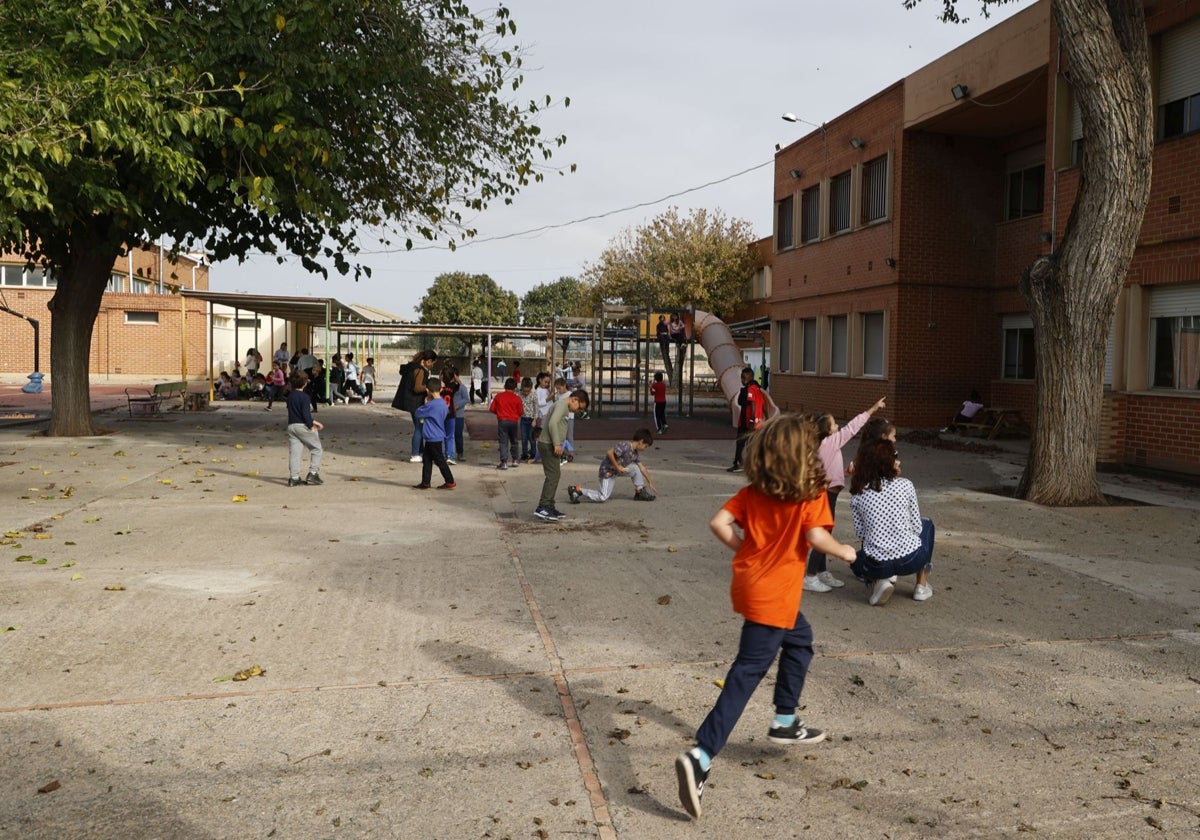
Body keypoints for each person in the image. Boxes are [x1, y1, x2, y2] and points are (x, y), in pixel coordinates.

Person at [674, 413, 858, 820]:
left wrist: (742, 548)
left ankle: (785, 719)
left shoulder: (753, 494)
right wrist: (843, 550)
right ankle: (701, 755)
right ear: (803, 456)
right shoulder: (809, 498)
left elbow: (717, 522)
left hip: (754, 588)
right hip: (774, 598)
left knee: (800, 640)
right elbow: (815, 537)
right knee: (746, 674)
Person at [804, 397, 888, 594]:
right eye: (834, 424)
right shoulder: (831, 441)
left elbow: (826, 470)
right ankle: (810, 577)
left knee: (826, 532)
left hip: (825, 493)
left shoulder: (822, 444)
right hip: (826, 495)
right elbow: (852, 427)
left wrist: (844, 473)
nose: (838, 426)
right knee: (823, 535)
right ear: (828, 429)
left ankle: (821, 571)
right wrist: (872, 409)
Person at [848, 438, 935, 605]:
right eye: (895, 457)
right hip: (911, 558)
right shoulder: (906, 485)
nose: (899, 461)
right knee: (927, 524)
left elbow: (862, 534)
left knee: (860, 555)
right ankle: (921, 586)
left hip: (878, 563)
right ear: (888, 463)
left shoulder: (858, 493)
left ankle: (878, 581)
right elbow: (917, 527)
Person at [535, 388, 589, 521]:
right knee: (553, 475)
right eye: (579, 408)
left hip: (550, 444)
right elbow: (552, 423)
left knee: (554, 475)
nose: (578, 411)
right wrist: (556, 444)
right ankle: (543, 506)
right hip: (548, 444)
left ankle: (549, 505)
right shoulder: (561, 405)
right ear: (574, 399)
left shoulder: (563, 407)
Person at [567, 428, 658, 504]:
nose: (645, 449)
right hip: (607, 472)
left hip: (617, 470)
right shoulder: (625, 446)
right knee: (603, 497)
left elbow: (642, 467)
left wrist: (649, 481)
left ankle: (640, 492)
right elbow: (609, 452)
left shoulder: (635, 453)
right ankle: (578, 490)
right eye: (645, 446)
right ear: (641, 442)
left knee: (635, 469)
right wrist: (617, 466)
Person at [392, 350, 438, 463]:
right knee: (419, 428)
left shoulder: (412, 367)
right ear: (427, 361)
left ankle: (420, 451)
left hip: (412, 403)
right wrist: (430, 388)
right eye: (433, 363)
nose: (433, 365)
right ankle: (415, 454)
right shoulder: (420, 370)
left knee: (419, 428)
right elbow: (417, 388)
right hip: (416, 404)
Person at [412, 377, 456, 490]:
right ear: (440, 389)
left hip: (432, 436)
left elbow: (418, 413)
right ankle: (425, 482)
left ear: (427, 390)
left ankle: (450, 481)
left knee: (440, 461)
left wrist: (426, 403)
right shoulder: (443, 403)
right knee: (427, 459)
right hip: (437, 435)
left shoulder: (431, 405)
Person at [285, 371, 324, 487]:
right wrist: (312, 426)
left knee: (295, 452)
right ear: (305, 383)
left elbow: (296, 412)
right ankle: (313, 473)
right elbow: (306, 415)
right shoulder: (305, 397)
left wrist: (314, 421)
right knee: (317, 448)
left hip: (291, 426)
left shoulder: (290, 396)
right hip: (302, 426)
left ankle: (294, 478)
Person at [727, 366, 764, 472]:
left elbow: (752, 404)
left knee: (740, 442)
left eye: (743, 378)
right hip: (757, 422)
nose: (742, 381)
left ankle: (739, 464)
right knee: (751, 444)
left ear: (747, 378)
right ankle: (753, 464)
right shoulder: (758, 388)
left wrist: (751, 420)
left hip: (747, 421)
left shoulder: (751, 389)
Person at [489, 377, 523, 470]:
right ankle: (515, 459)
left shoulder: (499, 397)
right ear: (515, 388)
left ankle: (504, 462)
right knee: (514, 440)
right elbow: (520, 412)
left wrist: (500, 413)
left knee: (503, 441)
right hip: (513, 421)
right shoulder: (517, 398)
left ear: (504, 386)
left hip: (502, 420)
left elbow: (492, 409)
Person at [446, 365, 468, 463]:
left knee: (458, 434)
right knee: (448, 435)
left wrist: (456, 405)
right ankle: (448, 453)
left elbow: (466, 399)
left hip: (459, 415)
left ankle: (460, 452)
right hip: (449, 415)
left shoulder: (461, 387)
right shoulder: (447, 387)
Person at [437, 368, 459, 464]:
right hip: (450, 413)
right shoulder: (453, 386)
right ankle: (450, 456)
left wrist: (440, 379)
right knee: (450, 436)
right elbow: (459, 383)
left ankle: (439, 456)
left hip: (440, 414)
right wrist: (455, 376)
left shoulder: (438, 387)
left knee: (439, 436)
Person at [519, 376, 538, 463]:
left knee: (531, 437)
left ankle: (533, 453)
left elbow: (536, 408)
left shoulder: (534, 395)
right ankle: (524, 454)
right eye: (524, 391)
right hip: (523, 419)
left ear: (531, 388)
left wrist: (535, 419)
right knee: (524, 437)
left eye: (528, 391)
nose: (526, 393)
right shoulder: (519, 394)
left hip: (531, 420)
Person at [669, 312, 687, 378]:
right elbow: (666, 323)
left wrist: (680, 327)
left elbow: (684, 325)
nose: (674, 317)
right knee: (678, 336)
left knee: (680, 336)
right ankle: (682, 344)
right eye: (673, 316)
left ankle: (682, 344)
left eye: (675, 316)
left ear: (677, 317)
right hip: (673, 334)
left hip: (678, 334)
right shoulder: (671, 322)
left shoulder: (679, 321)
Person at [656, 314, 674, 378]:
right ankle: (663, 349)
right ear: (660, 319)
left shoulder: (665, 325)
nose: (663, 319)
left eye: (663, 318)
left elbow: (667, 331)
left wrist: (666, 334)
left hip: (665, 335)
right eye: (662, 318)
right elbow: (658, 332)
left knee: (667, 339)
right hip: (661, 335)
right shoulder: (658, 325)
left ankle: (667, 349)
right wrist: (662, 333)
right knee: (662, 339)